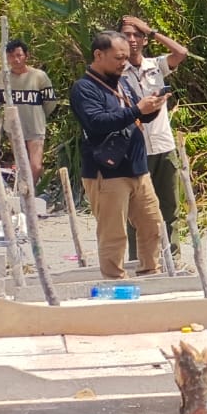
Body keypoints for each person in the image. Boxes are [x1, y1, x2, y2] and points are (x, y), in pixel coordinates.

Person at [70, 30, 168, 279]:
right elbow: (96, 122)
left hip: (137, 168)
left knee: (152, 225)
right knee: (114, 234)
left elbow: (137, 115)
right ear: (98, 55)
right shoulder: (84, 88)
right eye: (118, 58)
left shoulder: (123, 82)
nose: (123, 62)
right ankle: (114, 281)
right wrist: (137, 109)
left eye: (126, 57)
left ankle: (150, 272)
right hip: (107, 173)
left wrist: (152, 108)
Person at [120, 15, 188, 260]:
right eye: (127, 35)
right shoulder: (116, 73)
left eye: (137, 35)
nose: (132, 39)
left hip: (163, 145)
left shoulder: (155, 66)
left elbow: (181, 53)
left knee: (169, 207)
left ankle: (174, 257)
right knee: (136, 211)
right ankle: (139, 259)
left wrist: (152, 30)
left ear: (144, 40)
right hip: (134, 150)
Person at [0, 39, 57, 184]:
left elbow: (50, 102)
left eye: (19, 55)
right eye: (11, 56)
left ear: (26, 55)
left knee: (35, 165)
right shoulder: (2, 77)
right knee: (21, 162)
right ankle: (23, 193)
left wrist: (39, 115)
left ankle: (30, 192)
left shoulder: (39, 76)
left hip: (35, 126)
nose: (15, 59)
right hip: (13, 127)